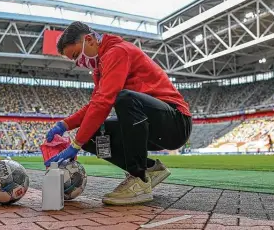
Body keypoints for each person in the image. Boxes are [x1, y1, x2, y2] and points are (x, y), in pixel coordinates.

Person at [44, 21, 192, 205]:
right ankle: (150, 169)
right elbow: (95, 104)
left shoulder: (117, 52)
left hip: (175, 122)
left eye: (76, 55)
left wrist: (75, 144)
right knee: (93, 137)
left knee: (124, 99)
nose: (79, 63)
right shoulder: (101, 66)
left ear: (89, 40)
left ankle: (139, 179)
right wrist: (65, 125)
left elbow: (104, 101)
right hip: (150, 124)